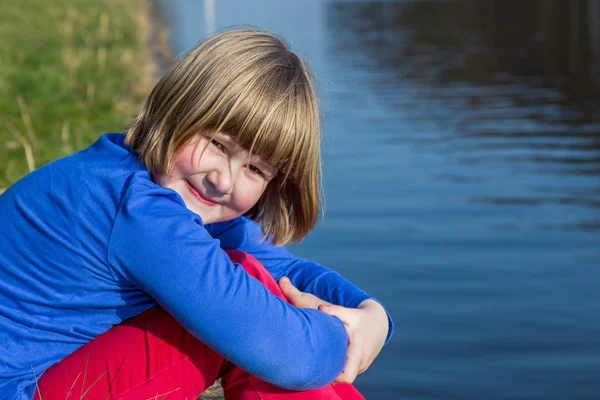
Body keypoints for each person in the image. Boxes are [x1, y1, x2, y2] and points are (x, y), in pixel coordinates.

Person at [0, 28, 393, 400]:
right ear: (178, 108)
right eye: (217, 144)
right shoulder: (140, 211)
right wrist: (345, 336)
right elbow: (290, 355)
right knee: (244, 316)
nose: (223, 180)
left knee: (248, 281)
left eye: (255, 170)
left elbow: (288, 273)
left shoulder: (140, 179)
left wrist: (372, 315)